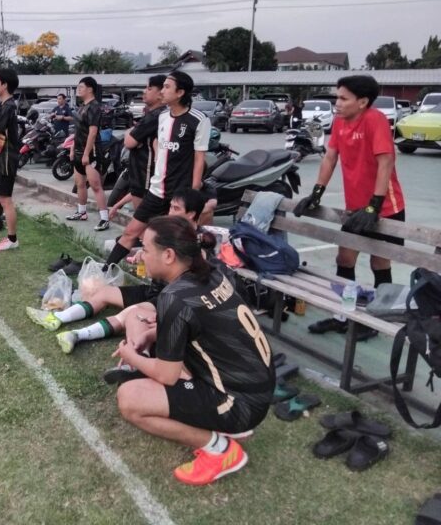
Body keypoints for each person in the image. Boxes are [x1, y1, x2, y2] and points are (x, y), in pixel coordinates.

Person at [113, 216, 274, 486]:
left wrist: (131, 357)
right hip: (256, 390)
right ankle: (223, 422)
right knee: (160, 346)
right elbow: (202, 324)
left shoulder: (174, 297)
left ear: (168, 255)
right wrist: (152, 334)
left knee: (129, 399)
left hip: (240, 403)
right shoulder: (210, 271)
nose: (141, 255)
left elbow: (166, 375)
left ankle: (220, 450)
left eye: (146, 249)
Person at [26, 189, 208, 354]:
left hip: (166, 298)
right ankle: (56, 318)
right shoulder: (170, 232)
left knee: (130, 314)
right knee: (104, 292)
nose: (170, 212)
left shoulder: (197, 243)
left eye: (176, 208)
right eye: (170, 207)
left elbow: (190, 280)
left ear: (191, 214)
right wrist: (144, 254)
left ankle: (77, 335)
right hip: (152, 290)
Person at [294, 75, 405, 341]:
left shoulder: (375, 120)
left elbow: (386, 162)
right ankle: (343, 316)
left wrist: (374, 206)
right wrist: (316, 194)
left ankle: (376, 321)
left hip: (385, 208)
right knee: (345, 259)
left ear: (363, 102)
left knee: (380, 262)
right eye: (337, 97)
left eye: (343, 98)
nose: (338, 103)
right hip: (355, 208)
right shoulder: (341, 122)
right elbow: (330, 158)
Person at [103, 71, 210, 269]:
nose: (162, 91)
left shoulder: (198, 120)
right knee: (130, 233)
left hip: (179, 195)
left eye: (167, 87)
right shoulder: (161, 117)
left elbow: (199, 159)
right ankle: (104, 272)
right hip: (156, 190)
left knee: (175, 244)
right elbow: (157, 148)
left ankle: (186, 280)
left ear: (180, 92)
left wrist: (193, 191)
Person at [108, 75, 167, 220]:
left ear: (161, 94)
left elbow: (129, 142)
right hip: (140, 174)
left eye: (149, 88)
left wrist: (130, 133)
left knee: (144, 221)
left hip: (146, 174)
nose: (144, 91)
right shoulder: (154, 114)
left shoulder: (155, 116)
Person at [65, 77, 111, 231]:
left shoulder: (94, 107)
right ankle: (81, 212)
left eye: (81, 87)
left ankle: (104, 218)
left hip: (91, 151)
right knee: (80, 184)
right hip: (78, 150)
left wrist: (86, 154)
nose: (78, 89)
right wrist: (73, 148)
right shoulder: (81, 107)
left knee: (96, 185)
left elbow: (93, 132)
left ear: (90, 89)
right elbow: (78, 131)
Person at [0, 68, 21, 252]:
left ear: (5, 85)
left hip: (7, 159)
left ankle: (12, 239)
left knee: (5, 200)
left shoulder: (8, 107)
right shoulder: (1, 105)